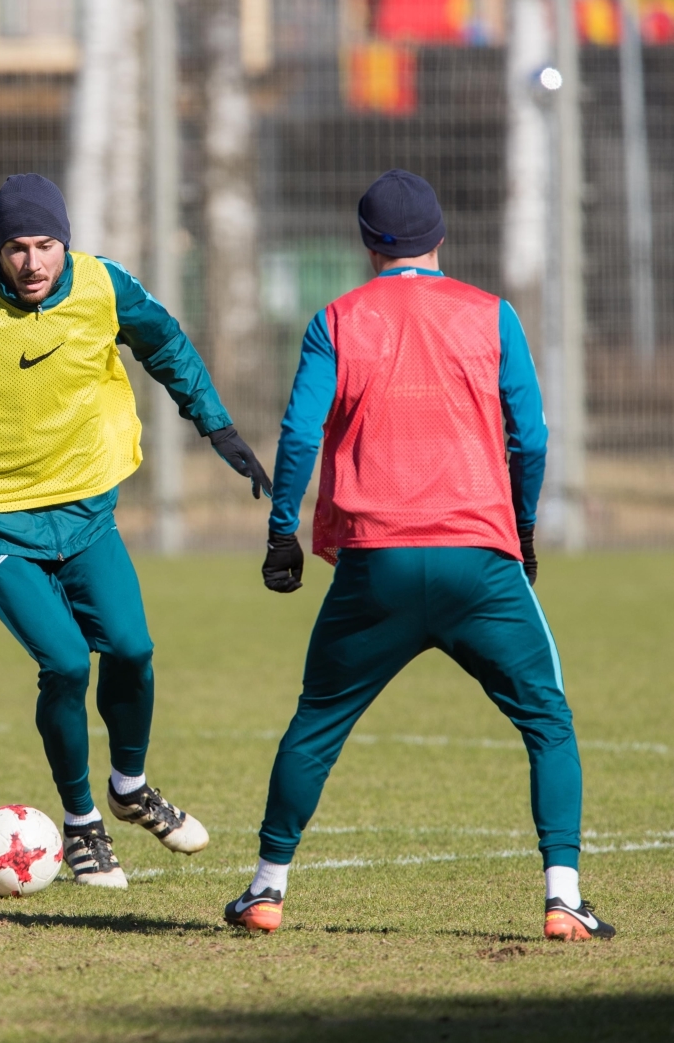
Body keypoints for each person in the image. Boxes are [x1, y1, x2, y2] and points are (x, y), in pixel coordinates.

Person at [0, 174, 271, 888]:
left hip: (85, 509)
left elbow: (166, 344)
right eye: (15, 247)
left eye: (45, 245)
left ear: (66, 243)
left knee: (132, 648)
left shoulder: (103, 285)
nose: (32, 263)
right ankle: (83, 823)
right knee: (66, 662)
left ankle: (130, 787)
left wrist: (216, 424)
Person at [225, 169, 614, 943]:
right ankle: (563, 895)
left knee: (316, 723)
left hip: (375, 563)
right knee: (548, 719)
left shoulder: (336, 318)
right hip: (478, 560)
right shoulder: (492, 314)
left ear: (369, 245)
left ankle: (267, 889)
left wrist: (281, 530)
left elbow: (300, 435)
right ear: (441, 236)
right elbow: (530, 437)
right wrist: (523, 527)